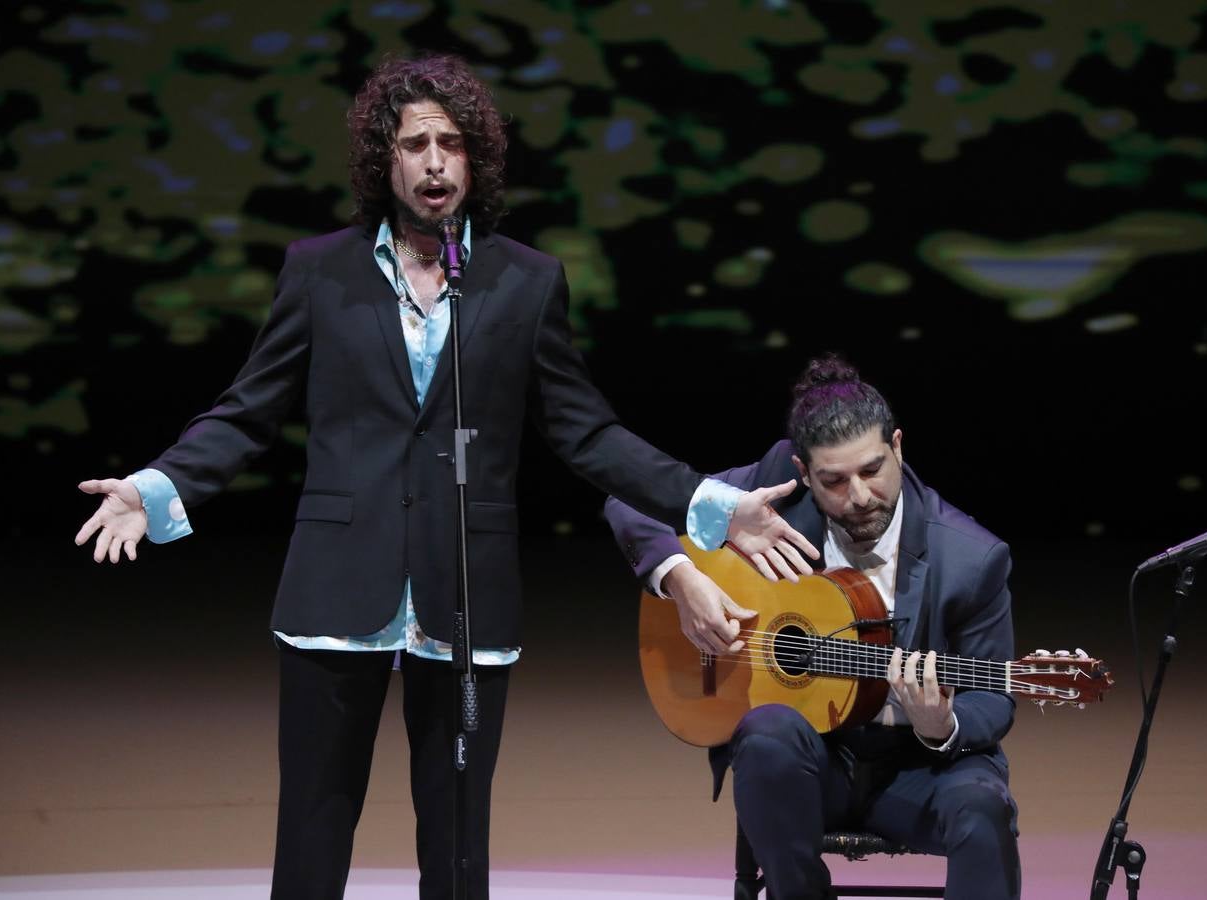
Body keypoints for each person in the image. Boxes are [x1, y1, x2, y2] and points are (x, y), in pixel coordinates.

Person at [73, 53, 817, 900]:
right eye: (415, 143)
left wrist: (713, 508)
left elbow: (587, 432)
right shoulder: (321, 271)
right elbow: (248, 411)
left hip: (465, 591)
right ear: (382, 161)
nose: (434, 162)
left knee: (460, 844)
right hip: (337, 588)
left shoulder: (525, 282)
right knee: (312, 835)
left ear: (476, 160)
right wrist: (157, 486)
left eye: (452, 144)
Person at [604, 356, 1020, 900]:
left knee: (985, 805)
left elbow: (993, 697)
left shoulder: (972, 557)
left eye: (873, 470)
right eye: (834, 481)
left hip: (923, 771)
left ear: (898, 446)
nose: (860, 495)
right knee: (767, 735)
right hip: (811, 771)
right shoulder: (778, 485)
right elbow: (632, 500)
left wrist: (941, 725)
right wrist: (681, 581)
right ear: (803, 472)